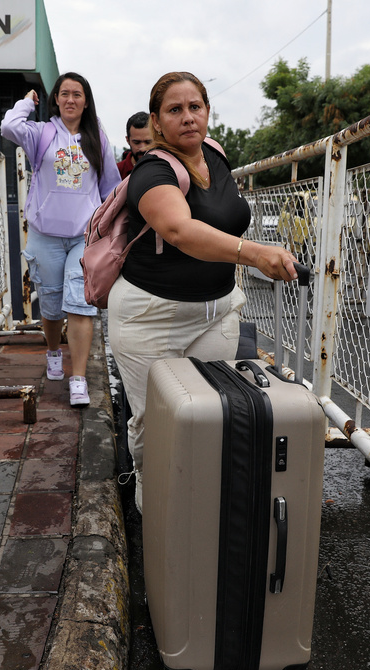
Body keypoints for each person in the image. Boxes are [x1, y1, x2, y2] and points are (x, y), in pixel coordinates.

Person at [107, 71, 298, 512]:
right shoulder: (152, 170)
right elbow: (178, 229)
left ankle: (203, 518)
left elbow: (224, 214)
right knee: (156, 424)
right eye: (175, 110)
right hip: (149, 319)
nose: (188, 117)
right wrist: (253, 253)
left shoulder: (215, 154)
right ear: (156, 122)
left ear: (208, 111)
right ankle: (156, 520)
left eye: (196, 107)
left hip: (215, 311)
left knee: (214, 415)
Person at [1, 72, 119, 407]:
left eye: (77, 94)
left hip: (84, 236)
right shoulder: (41, 133)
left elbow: (111, 186)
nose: (70, 100)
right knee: (51, 305)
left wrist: (107, 229)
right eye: (64, 93)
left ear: (86, 100)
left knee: (80, 304)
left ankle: (78, 378)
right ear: (56, 99)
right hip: (45, 235)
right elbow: (9, 127)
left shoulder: (97, 138)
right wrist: (27, 103)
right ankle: (53, 351)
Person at [117, 111, 154, 179]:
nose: (143, 148)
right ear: (128, 140)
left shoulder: (168, 167)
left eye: (148, 142)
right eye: (137, 142)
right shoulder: (117, 172)